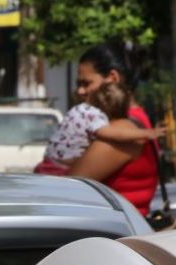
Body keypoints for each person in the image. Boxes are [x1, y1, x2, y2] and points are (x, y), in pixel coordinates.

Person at [67, 42, 160, 216]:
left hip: (115, 229)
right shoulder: (138, 119)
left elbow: (66, 189)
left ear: (113, 78)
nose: (80, 91)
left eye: (86, 83)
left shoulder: (121, 130)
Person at [36, 82, 164, 176]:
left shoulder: (79, 108)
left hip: (48, 162)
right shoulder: (96, 116)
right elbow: (116, 134)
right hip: (59, 168)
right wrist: (145, 133)